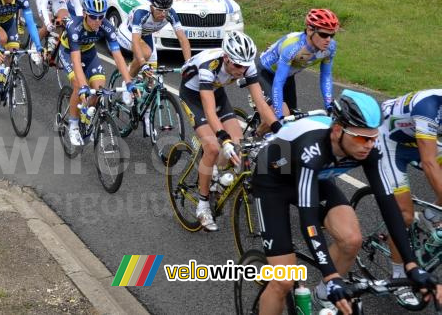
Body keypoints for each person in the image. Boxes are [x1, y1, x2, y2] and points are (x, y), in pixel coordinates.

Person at [252, 90, 442, 315]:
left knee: (352, 240)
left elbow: (388, 205)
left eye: (372, 138)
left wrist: (411, 265)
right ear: (336, 131)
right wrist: (331, 275)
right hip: (274, 181)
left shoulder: (369, 149)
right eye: (362, 138)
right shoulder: (311, 149)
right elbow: (309, 220)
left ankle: (322, 296)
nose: (369, 145)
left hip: (318, 176)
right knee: (283, 281)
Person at [179, 31, 279, 231]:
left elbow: (261, 103)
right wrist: (222, 139)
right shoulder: (209, 66)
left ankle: (215, 174)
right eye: (237, 65)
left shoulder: (246, 66)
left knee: (239, 146)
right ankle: (203, 204)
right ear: (226, 58)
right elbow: (209, 110)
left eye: (245, 66)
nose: (242, 71)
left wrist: (279, 129)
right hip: (193, 95)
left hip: (216, 93)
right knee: (214, 147)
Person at [377, 89, 442, 308]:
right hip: (387, 141)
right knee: (403, 216)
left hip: (414, 138)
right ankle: (399, 278)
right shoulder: (429, 107)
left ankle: (430, 215)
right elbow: (429, 163)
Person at [60, 0, 137, 146]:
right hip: (70, 53)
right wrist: (83, 87)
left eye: (101, 16)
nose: (97, 21)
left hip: (89, 53)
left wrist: (129, 83)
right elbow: (76, 61)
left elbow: (118, 57)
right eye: (93, 17)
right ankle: (74, 125)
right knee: (77, 84)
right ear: (85, 14)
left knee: (99, 89)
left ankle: (86, 117)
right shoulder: (74, 28)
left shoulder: (106, 26)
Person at [117, 0, 191, 138]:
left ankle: (146, 118)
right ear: (151, 6)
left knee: (151, 82)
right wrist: (143, 63)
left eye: (166, 10)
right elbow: (136, 42)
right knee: (144, 54)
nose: (163, 14)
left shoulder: (170, 14)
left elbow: (183, 39)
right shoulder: (141, 13)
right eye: (159, 10)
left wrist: (189, 63)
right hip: (128, 33)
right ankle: (127, 83)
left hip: (146, 35)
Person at [258, 9, 338, 119]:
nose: (328, 40)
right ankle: (258, 133)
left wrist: (329, 105)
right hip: (265, 73)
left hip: (287, 76)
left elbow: (326, 76)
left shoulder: (330, 48)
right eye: (324, 34)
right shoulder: (292, 47)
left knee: (294, 117)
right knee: (283, 116)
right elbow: (278, 82)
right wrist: (279, 115)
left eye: (332, 35)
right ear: (310, 30)